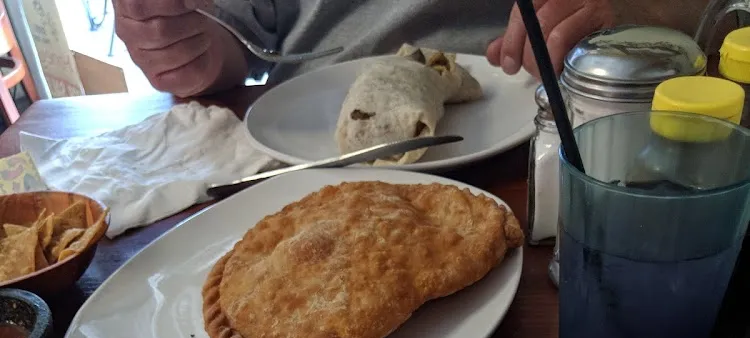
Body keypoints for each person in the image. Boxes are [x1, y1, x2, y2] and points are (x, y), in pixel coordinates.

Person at [114, 0, 710, 100]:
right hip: (293, 152)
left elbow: (716, 16)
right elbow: (236, 42)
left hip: (539, 140)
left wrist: (640, 12)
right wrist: (187, 48)